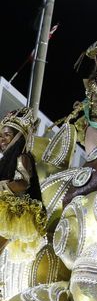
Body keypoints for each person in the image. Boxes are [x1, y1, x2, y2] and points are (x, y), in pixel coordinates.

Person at [0, 108, 46, 262]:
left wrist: (3, 187)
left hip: (11, 213)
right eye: (1, 135)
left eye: (7, 135)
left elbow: (23, 183)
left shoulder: (22, 157)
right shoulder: (5, 161)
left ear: (19, 137)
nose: (2, 139)